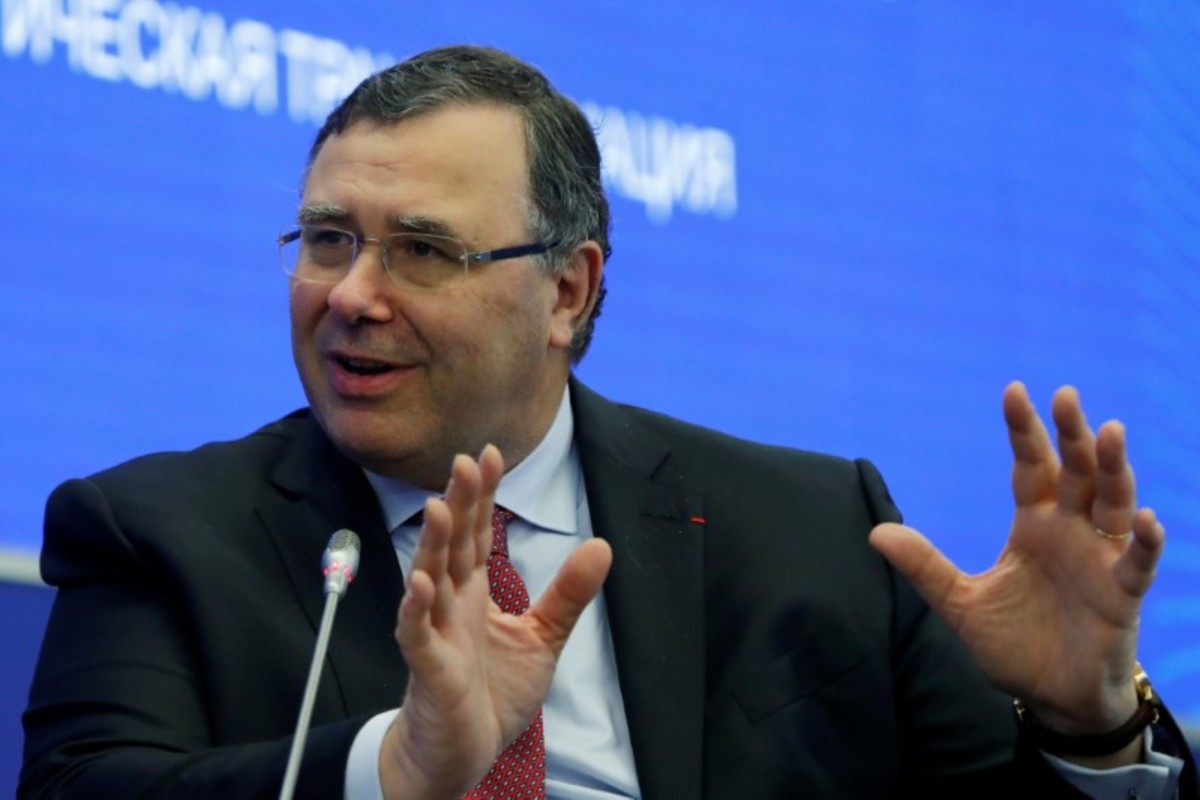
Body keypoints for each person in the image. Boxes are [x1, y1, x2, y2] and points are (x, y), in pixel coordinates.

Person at [19, 44, 1197, 799]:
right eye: (329, 238)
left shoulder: (815, 532)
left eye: (422, 250)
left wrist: (1087, 723)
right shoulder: (161, 531)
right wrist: (399, 768)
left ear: (568, 292)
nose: (351, 294)